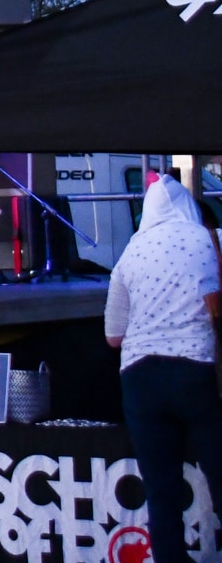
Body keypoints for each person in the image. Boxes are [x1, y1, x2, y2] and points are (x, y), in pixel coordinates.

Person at [106, 175, 222, 563]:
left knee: (161, 489)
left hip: (139, 379)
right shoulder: (206, 238)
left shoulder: (129, 253)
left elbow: (113, 337)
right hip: (195, 370)